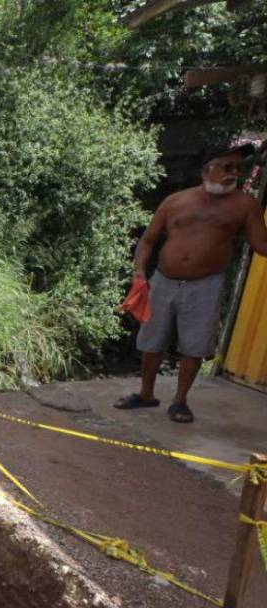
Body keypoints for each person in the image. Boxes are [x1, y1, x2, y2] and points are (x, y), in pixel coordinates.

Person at [115, 143, 267, 423]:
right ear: (207, 170)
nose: (235, 173)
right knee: (151, 341)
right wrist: (139, 273)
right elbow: (148, 241)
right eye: (228, 167)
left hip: (205, 284)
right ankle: (146, 394)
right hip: (163, 280)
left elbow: (261, 245)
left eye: (238, 168)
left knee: (194, 346)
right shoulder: (175, 201)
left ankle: (180, 401)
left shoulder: (245, 205)